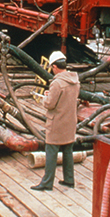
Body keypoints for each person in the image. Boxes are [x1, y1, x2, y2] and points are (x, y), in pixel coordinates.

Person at [31, 50, 80, 191]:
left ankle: (47, 183)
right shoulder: (75, 80)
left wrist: (44, 98)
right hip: (70, 121)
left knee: (51, 152)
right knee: (68, 151)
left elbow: (50, 104)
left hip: (57, 122)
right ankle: (69, 180)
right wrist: (51, 93)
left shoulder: (57, 83)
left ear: (55, 67)